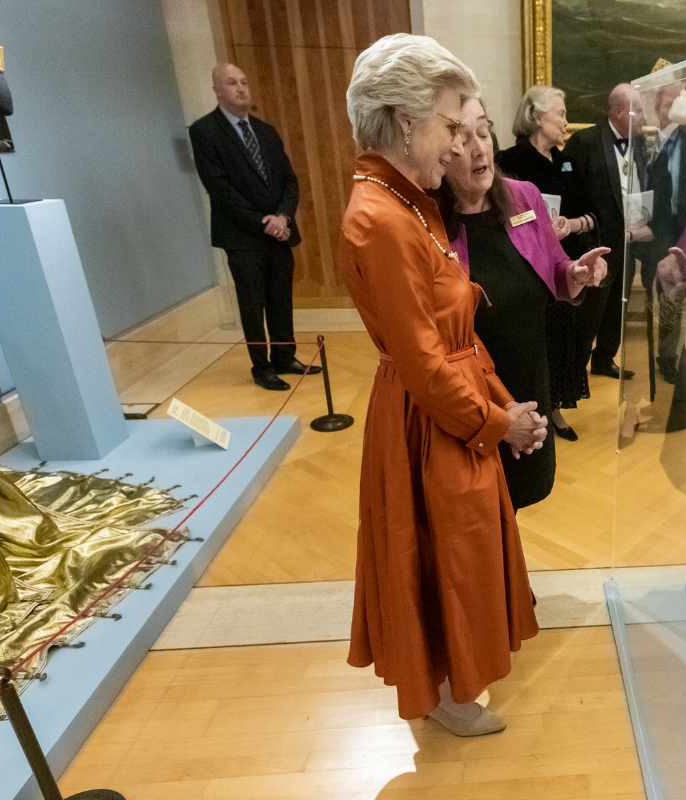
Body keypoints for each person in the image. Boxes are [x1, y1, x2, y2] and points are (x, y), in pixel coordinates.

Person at [338, 33, 548, 737]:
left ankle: (448, 685)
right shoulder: (381, 219)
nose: (460, 147)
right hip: (432, 426)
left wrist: (499, 403)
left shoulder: (408, 207)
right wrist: (499, 423)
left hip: (445, 413)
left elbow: (448, 342)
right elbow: (426, 366)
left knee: (451, 555)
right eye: (451, 128)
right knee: (448, 558)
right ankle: (448, 691)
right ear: (405, 121)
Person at [440, 96, 608, 509]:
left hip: (531, 381)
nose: (480, 147)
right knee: (477, 510)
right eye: (463, 137)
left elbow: (555, 269)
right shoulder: (427, 222)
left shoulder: (524, 197)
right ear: (440, 153)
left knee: (519, 496)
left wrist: (575, 274)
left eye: (484, 130)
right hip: (471, 399)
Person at [189, 63, 320, 391]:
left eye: (244, 82)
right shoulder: (204, 132)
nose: (241, 88)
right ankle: (261, 367)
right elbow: (218, 189)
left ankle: (284, 357)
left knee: (280, 299)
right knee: (252, 304)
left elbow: (290, 181)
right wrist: (263, 222)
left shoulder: (266, 131)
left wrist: (283, 218)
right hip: (242, 236)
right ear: (217, 90)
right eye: (232, 83)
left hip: (279, 232)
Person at [496, 86, 593, 440]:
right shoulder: (509, 161)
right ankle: (524, 413)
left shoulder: (566, 163)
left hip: (561, 268)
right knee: (530, 347)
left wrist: (572, 225)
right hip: (525, 271)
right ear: (537, 117)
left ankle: (553, 410)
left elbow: (587, 211)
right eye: (561, 114)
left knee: (561, 343)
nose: (566, 122)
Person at [561, 83, 652, 381]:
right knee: (588, 313)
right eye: (637, 110)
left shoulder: (641, 145)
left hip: (628, 242)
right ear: (618, 110)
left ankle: (605, 359)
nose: (643, 117)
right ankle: (576, 370)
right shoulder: (583, 142)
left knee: (617, 307)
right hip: (594, 244)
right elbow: (569, 198)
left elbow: (640, 187)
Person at [645, 83, 686, 387]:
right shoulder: (644, 144)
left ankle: (667, 357)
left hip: (682, 229)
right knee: (650, 290)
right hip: (649, 229)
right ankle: (644, 354)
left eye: (676, 105)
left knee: (674, 295)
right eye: (665, 105)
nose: (670, 111)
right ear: (658, 108)